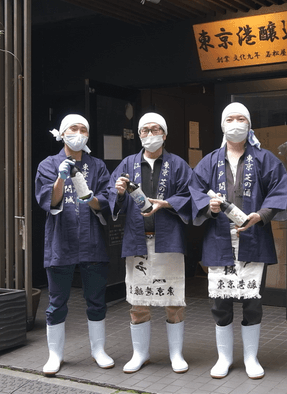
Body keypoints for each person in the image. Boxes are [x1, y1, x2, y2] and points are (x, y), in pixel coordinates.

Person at [190, 102, 287, 380]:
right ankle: (224, 357)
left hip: (253, 238)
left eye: (241, 118)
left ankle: (251, 358)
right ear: (223, 125)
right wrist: (210, 206)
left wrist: (261, 214)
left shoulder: (266, 159)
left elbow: (279, 189)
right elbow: (195, 191)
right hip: (218, 239)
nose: (236, 123)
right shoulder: (209, 161)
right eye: (230, 119)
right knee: (219, 301)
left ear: (249, 124)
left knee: (252, 300)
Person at [108, 112, 192, 374]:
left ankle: (176, 354)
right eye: (144, 130)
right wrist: (120, 193)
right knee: (138, 299)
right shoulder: (127, 164)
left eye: (155, 130)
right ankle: (140, 353)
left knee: (173, 297)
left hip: (169, 240)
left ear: (164, 135)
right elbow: (114, 200)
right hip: (138, 240)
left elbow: (191, 196)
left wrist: (165, 203)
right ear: (139, 135)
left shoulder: (178, 165)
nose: (150, 135)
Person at [35, 114, 114, 376]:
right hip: (61, 239)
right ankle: (55, 355)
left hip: (92, 240)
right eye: (73, 128)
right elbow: (49, 200)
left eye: (83, 129)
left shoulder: (98, 166)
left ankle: (98, 350)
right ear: (61, 133)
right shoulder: (48, 164)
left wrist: (90, 199)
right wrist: (61, 178)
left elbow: (105, 199)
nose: (78, 133)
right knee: (57, 301)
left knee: (96, 299)